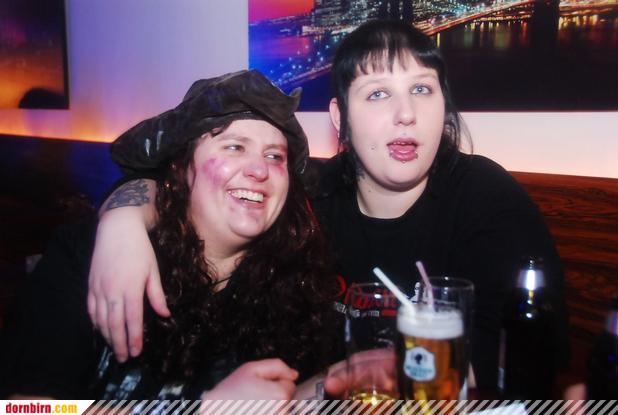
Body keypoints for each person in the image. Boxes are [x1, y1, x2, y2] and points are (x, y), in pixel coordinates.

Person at [86, 20, 569, 393]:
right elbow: (186, 187)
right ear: (340, 117)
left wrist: (401, 368)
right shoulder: (308, 198)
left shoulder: (487, 198)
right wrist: (123, 221)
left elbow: (534, 353)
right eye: (377, 94)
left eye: (422, 89)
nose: (406, 114)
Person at [0, 69, 337, 400]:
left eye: (274, 156)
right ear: (183, 167)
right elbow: (25, 407)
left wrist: (333, 385)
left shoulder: (293, 286)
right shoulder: (92, 253)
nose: (260, 169)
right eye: (234, 147)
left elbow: (282, 398)